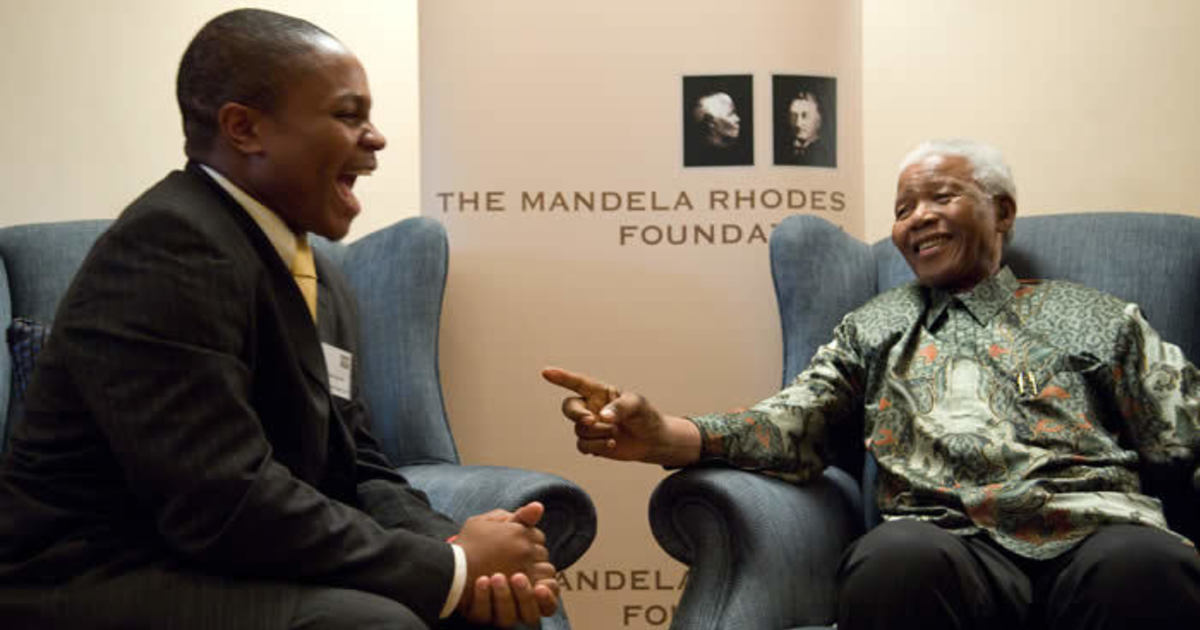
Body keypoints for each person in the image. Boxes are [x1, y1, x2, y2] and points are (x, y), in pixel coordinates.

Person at [0, 9, 557, 630]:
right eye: (348, 114)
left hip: (221, 557)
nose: (375, 138)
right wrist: (448, 569)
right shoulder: (170, 246)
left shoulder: (317, 273)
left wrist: (457, 551)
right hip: (93, 575)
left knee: (494, 608)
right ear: (244, 128)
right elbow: (221, 501)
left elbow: (358, 464)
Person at [545, 139, 1200, 628]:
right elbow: (794, 422)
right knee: (894, 559)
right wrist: (666, 435)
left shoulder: (1095, 315)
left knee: (1147, 564)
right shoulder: (876, 324)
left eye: (940, 196)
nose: (916, 218)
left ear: (1001, 211)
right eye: (903, 207)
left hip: (1095, 536)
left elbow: (1181, 428)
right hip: (946, 544)